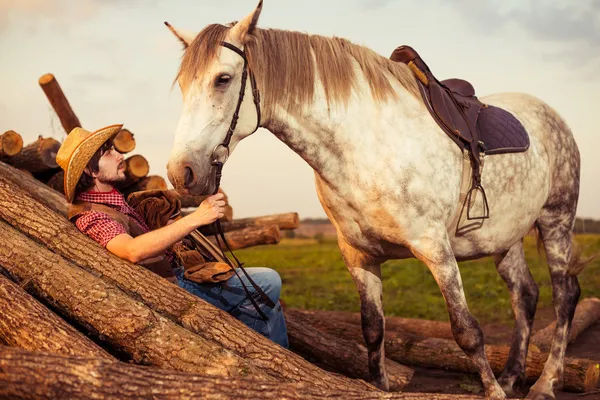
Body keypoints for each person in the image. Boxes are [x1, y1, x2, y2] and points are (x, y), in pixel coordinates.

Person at [55, 124, 288, 348]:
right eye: (108, 153)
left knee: (269, 304)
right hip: (169, 291)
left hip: (177, 277)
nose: (119, 156)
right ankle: (253, 359)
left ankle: (277, 367)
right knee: (268, 282)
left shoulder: (116, 202)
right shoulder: (91, 216)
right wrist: (196, 218)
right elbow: (132, 250)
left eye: (115, 149)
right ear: (89, 170)